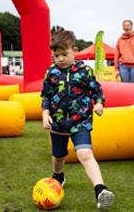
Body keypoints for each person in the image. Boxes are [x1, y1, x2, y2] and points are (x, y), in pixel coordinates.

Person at [41, 28, 115, 209]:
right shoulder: (51, 72)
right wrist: (45, 114)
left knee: (85, 153)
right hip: (58, 123)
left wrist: (99, 103)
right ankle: (58, 176)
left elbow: (96, 90)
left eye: (64, 54)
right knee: (58, 156)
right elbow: (46, 96)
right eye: (56, 55)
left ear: (74, 51)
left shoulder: (84, 71)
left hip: (80, 121)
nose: (60, 59)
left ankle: (100, 189)